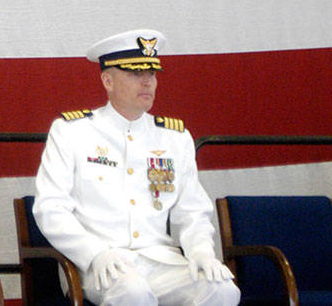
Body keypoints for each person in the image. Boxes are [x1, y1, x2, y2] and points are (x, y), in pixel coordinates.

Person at [33, 29, 239, 306]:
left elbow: (193, 211)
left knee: (222, 289)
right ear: (107, 80)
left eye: (151, 74)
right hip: (99, 263)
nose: (147, 83)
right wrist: (93, 253)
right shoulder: (72, 132)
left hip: (160, 260)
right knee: (133, 293)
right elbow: (50, 208)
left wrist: (202, 251)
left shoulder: (174, 137)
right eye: (135, 74)